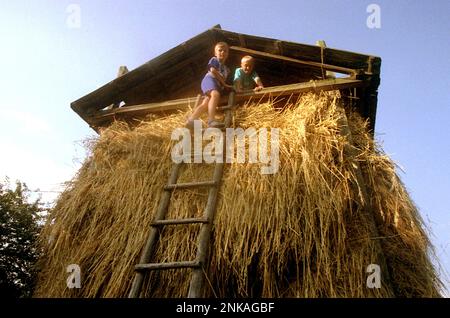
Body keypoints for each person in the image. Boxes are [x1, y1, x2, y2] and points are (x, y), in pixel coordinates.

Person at [185, 42, 233, 129]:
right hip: (209, 80)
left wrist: (225, 86)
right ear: (215, 53)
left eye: (225, 51)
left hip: (216, 86)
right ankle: (211, 120)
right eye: (220, 50)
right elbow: (213, 71)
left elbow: (223, 81)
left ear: (227, 54)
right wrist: (225, 84)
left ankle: (191, 119)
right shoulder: (214, 60)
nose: (222, 52)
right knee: (215, 95)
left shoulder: (227, 70)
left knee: (205, 103)